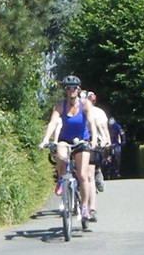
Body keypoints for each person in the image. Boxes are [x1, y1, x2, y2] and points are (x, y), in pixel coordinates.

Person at [38, 75, 98, 220]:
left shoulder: (85, 104)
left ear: (78, 89)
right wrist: (46, 139)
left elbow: (91, 122)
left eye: (74, 88)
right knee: (61, 155)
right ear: (65, 90)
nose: (71, 90)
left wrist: (94, 139)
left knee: (83, 176)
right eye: (68, 88)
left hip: (82, 140)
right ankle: (61, 178)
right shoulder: (60, 105)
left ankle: (84, 207)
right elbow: (53, 123)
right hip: (65, 139)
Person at [85, 91, 111, 222]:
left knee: (89, 174)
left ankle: (91, 208)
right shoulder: (73, 110)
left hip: (93, 143)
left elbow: (103, 128)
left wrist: (107, 139)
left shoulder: (98, 113)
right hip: (78, 143)